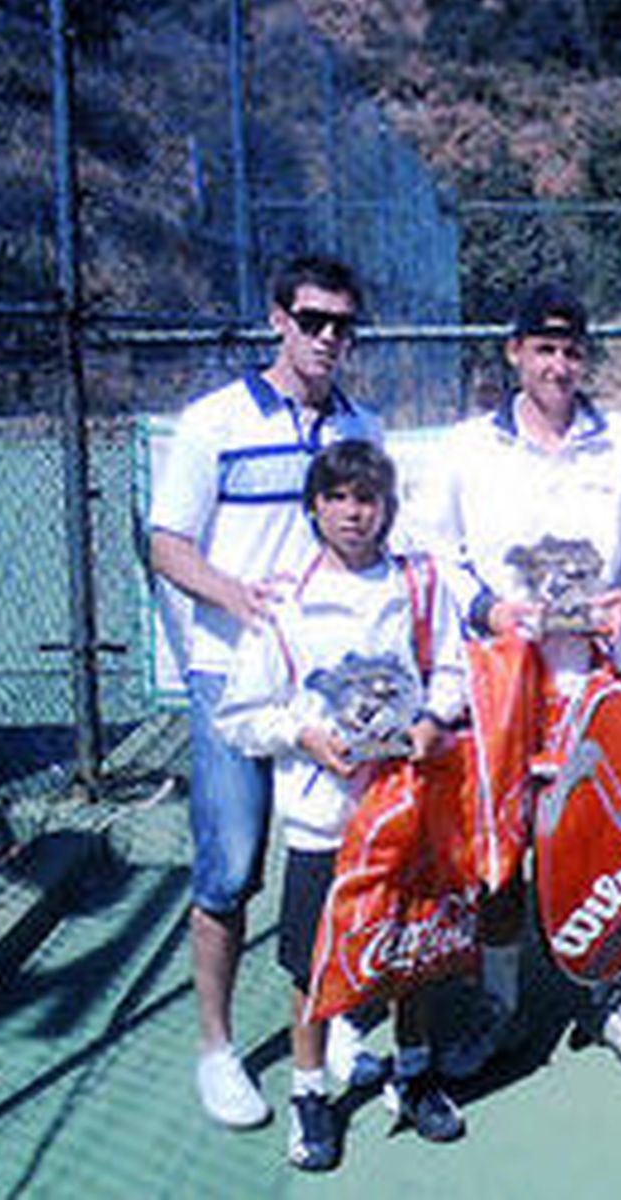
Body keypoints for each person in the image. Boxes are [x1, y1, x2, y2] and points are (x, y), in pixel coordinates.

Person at [405, 281, 621, 1074]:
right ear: (515, 352)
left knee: (609, 835)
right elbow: (434, 551)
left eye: (570, 349)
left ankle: (611, 999)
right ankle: (500, 1001)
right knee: (503, 847)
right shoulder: (465, 447)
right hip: (503, 685)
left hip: (594, 678)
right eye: (543, 348)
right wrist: (487, 607)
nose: (558, 364)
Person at [148, 254, 382, 1128]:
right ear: (277, 318)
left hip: (340, 689)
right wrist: (236, 596)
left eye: (343, 324)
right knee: (231, 868)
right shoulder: (213, 422)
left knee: (343, 860)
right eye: (313, 319)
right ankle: (217, 1049)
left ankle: (340, 1012)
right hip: (233, 678)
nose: (328, 338)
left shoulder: (366, 425)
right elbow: (168, 543)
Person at [215, 442, 469, 1170]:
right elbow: (241, 714)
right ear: (315, 507)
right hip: (323, 820)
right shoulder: (284, 599)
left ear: (388, 507)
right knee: (313, 968)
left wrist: (431, 720)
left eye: (368, 498)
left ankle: (414, 1074)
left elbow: (449, 669)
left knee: (412, 955)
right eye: (339, 498)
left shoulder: (418, 584)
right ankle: (310, 1095)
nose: (355, 512)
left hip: (409, 810)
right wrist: (304, 734)